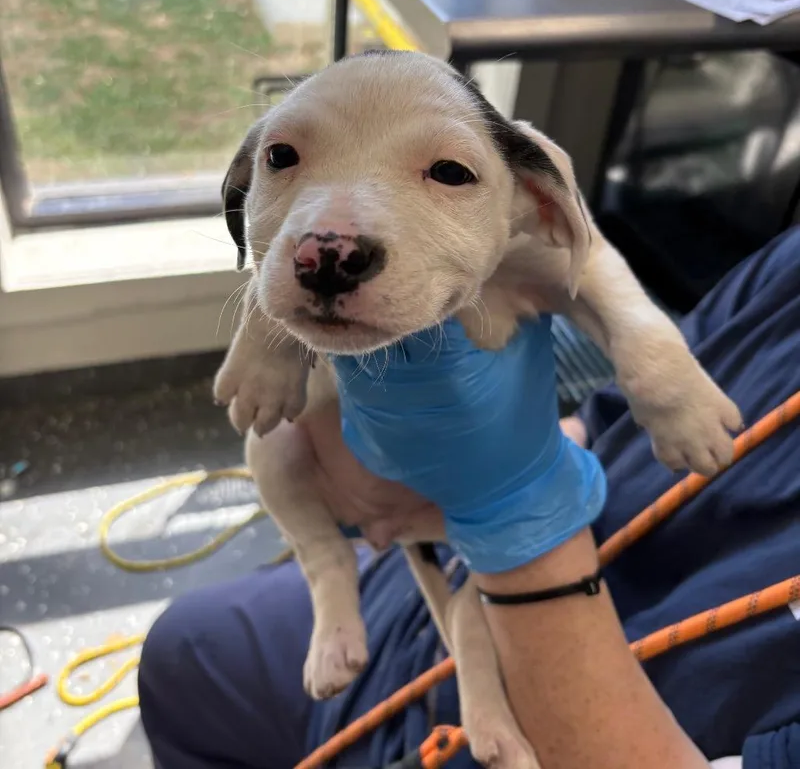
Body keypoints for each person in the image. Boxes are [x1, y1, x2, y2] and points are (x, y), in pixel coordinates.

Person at [138, 226, 800, 769]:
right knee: (181, 649)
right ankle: (333, 577)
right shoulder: (790, 266)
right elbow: (618, 397)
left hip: (538, 691)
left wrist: (510, 508)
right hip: (436, 569)